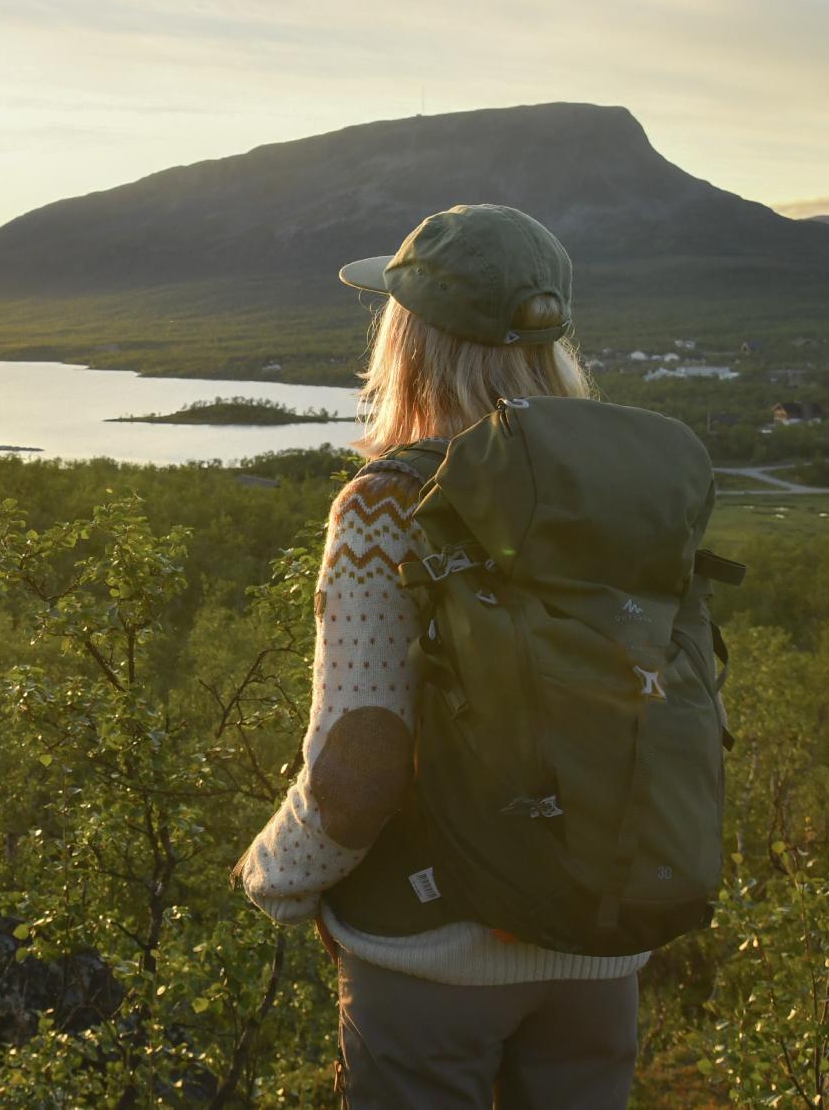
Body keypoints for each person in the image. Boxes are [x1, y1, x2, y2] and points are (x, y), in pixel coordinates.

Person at [232, 204, 645, 1108]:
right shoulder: (628, 496)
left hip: (433, 957)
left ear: (410, 342)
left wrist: (277, 874)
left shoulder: (387, 506)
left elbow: (365, 757)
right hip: (601, 942)